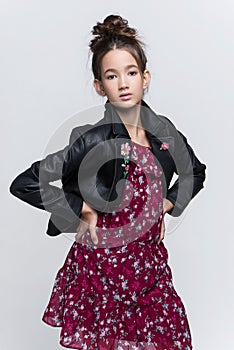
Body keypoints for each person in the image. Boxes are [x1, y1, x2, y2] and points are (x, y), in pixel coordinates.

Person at [9, 14, 206, 350]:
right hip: (102, 272)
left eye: (131, 73)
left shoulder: (165, 133)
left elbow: (194, 172)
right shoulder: (90, 140)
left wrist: (167, 202)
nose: (124, 83)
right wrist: (81, 209)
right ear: (100, 85)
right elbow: (25, 182)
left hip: (148, 269)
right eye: (112, 76)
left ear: (145, 78)